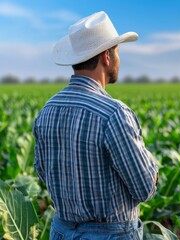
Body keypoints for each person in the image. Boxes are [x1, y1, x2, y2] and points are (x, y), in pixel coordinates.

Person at [33, 11, 158, 239]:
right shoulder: (114, 114)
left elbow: (43, 172)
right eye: (117, 51)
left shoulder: (47, 111)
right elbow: (144, 187)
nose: (119, 59)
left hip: (61, 230)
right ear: (106, 57)